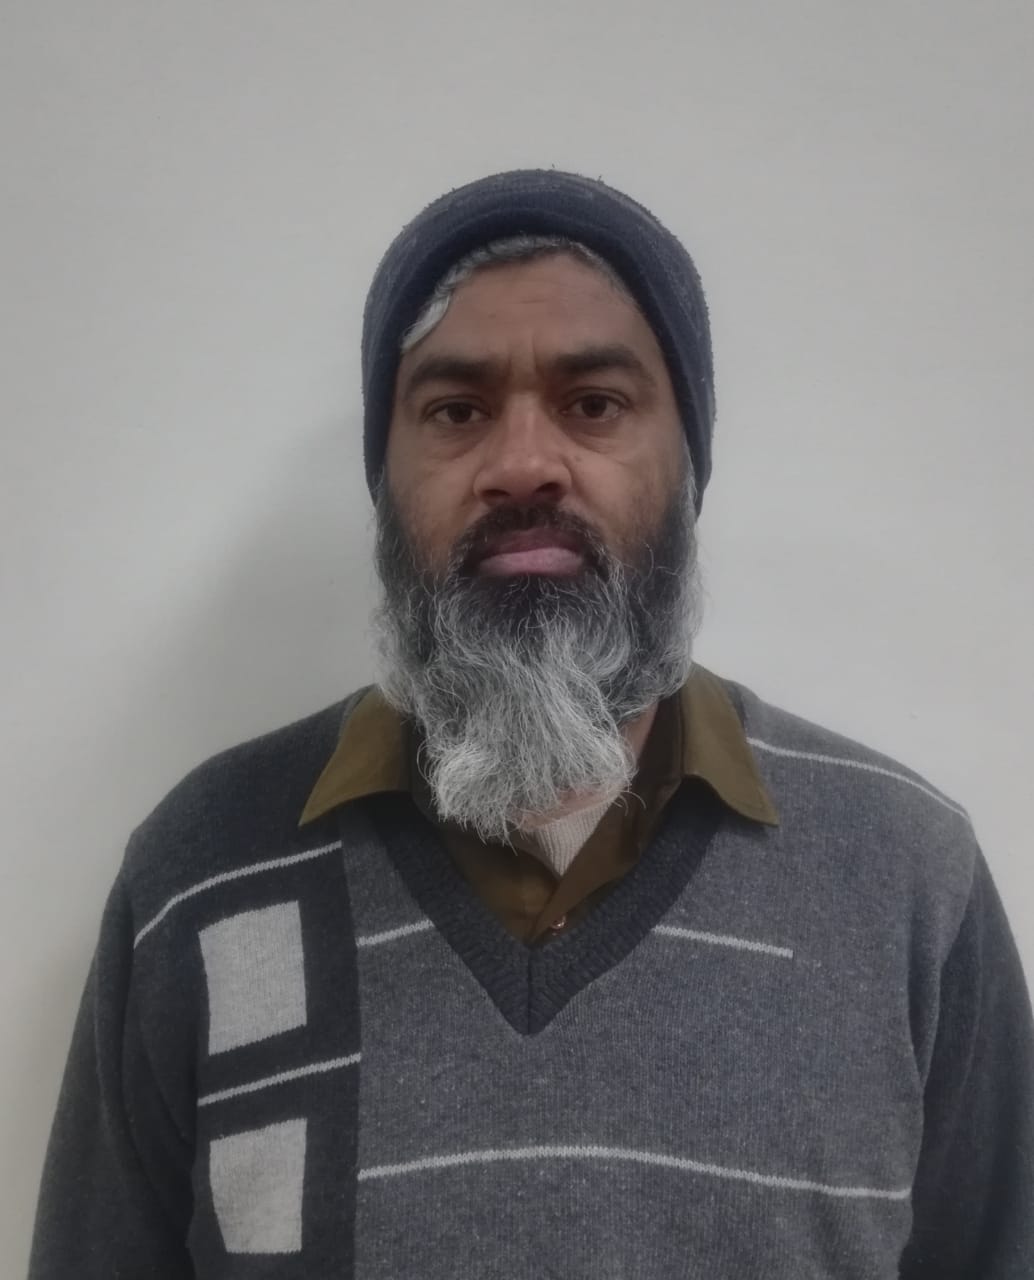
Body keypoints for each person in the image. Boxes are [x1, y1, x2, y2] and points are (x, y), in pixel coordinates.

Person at [28, 168, 1033, 1279]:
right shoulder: (200, 868)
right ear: (385, 479)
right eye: (455, 411)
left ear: (688, 465)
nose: (520, 466)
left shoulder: (905, 877)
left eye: (593, 403)